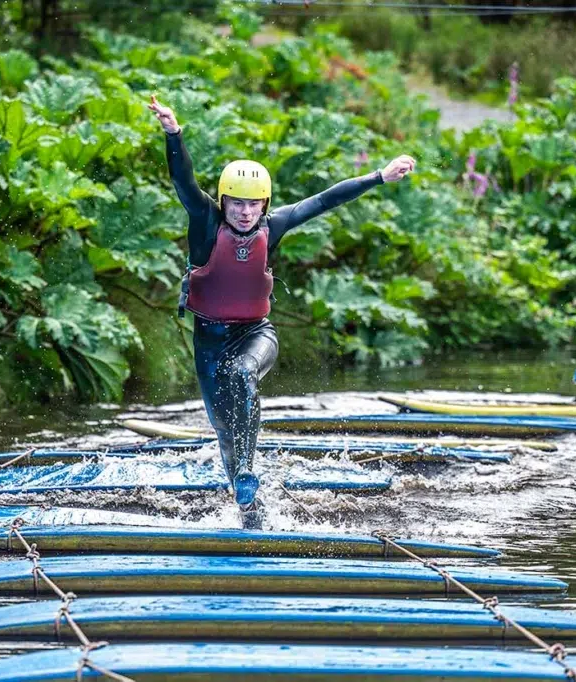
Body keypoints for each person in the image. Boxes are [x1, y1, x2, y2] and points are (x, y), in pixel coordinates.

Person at [148, 94, 415, 528]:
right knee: (225, 434)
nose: (245, 211)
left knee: (243, 374)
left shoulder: (275, 226)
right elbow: (183, 182)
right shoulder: (205, 221)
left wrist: (380, 177)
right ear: (224, 201)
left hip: (256, 333)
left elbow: (325, 200)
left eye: (253, 204)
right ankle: (247, 504)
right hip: (208, 341)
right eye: (236, 203)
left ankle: (249, 472)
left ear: (265, 205)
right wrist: (173, 133)